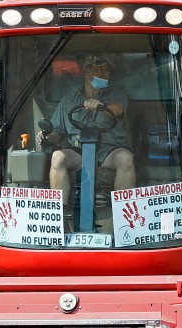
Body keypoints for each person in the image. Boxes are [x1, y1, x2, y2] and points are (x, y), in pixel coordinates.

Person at [38, 54, 135, 211]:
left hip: (109, 150)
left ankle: (126, 215)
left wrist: (101, 105)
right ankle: (58, 216)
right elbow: (58, 131)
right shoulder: (69, 99)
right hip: (79, 151)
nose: (104, 74)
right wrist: (47, 137)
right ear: (86, 72)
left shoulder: (117, 94)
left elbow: (118, 109)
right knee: (57, 158)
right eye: (98, 69)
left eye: (106, 70)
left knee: (126, 159)